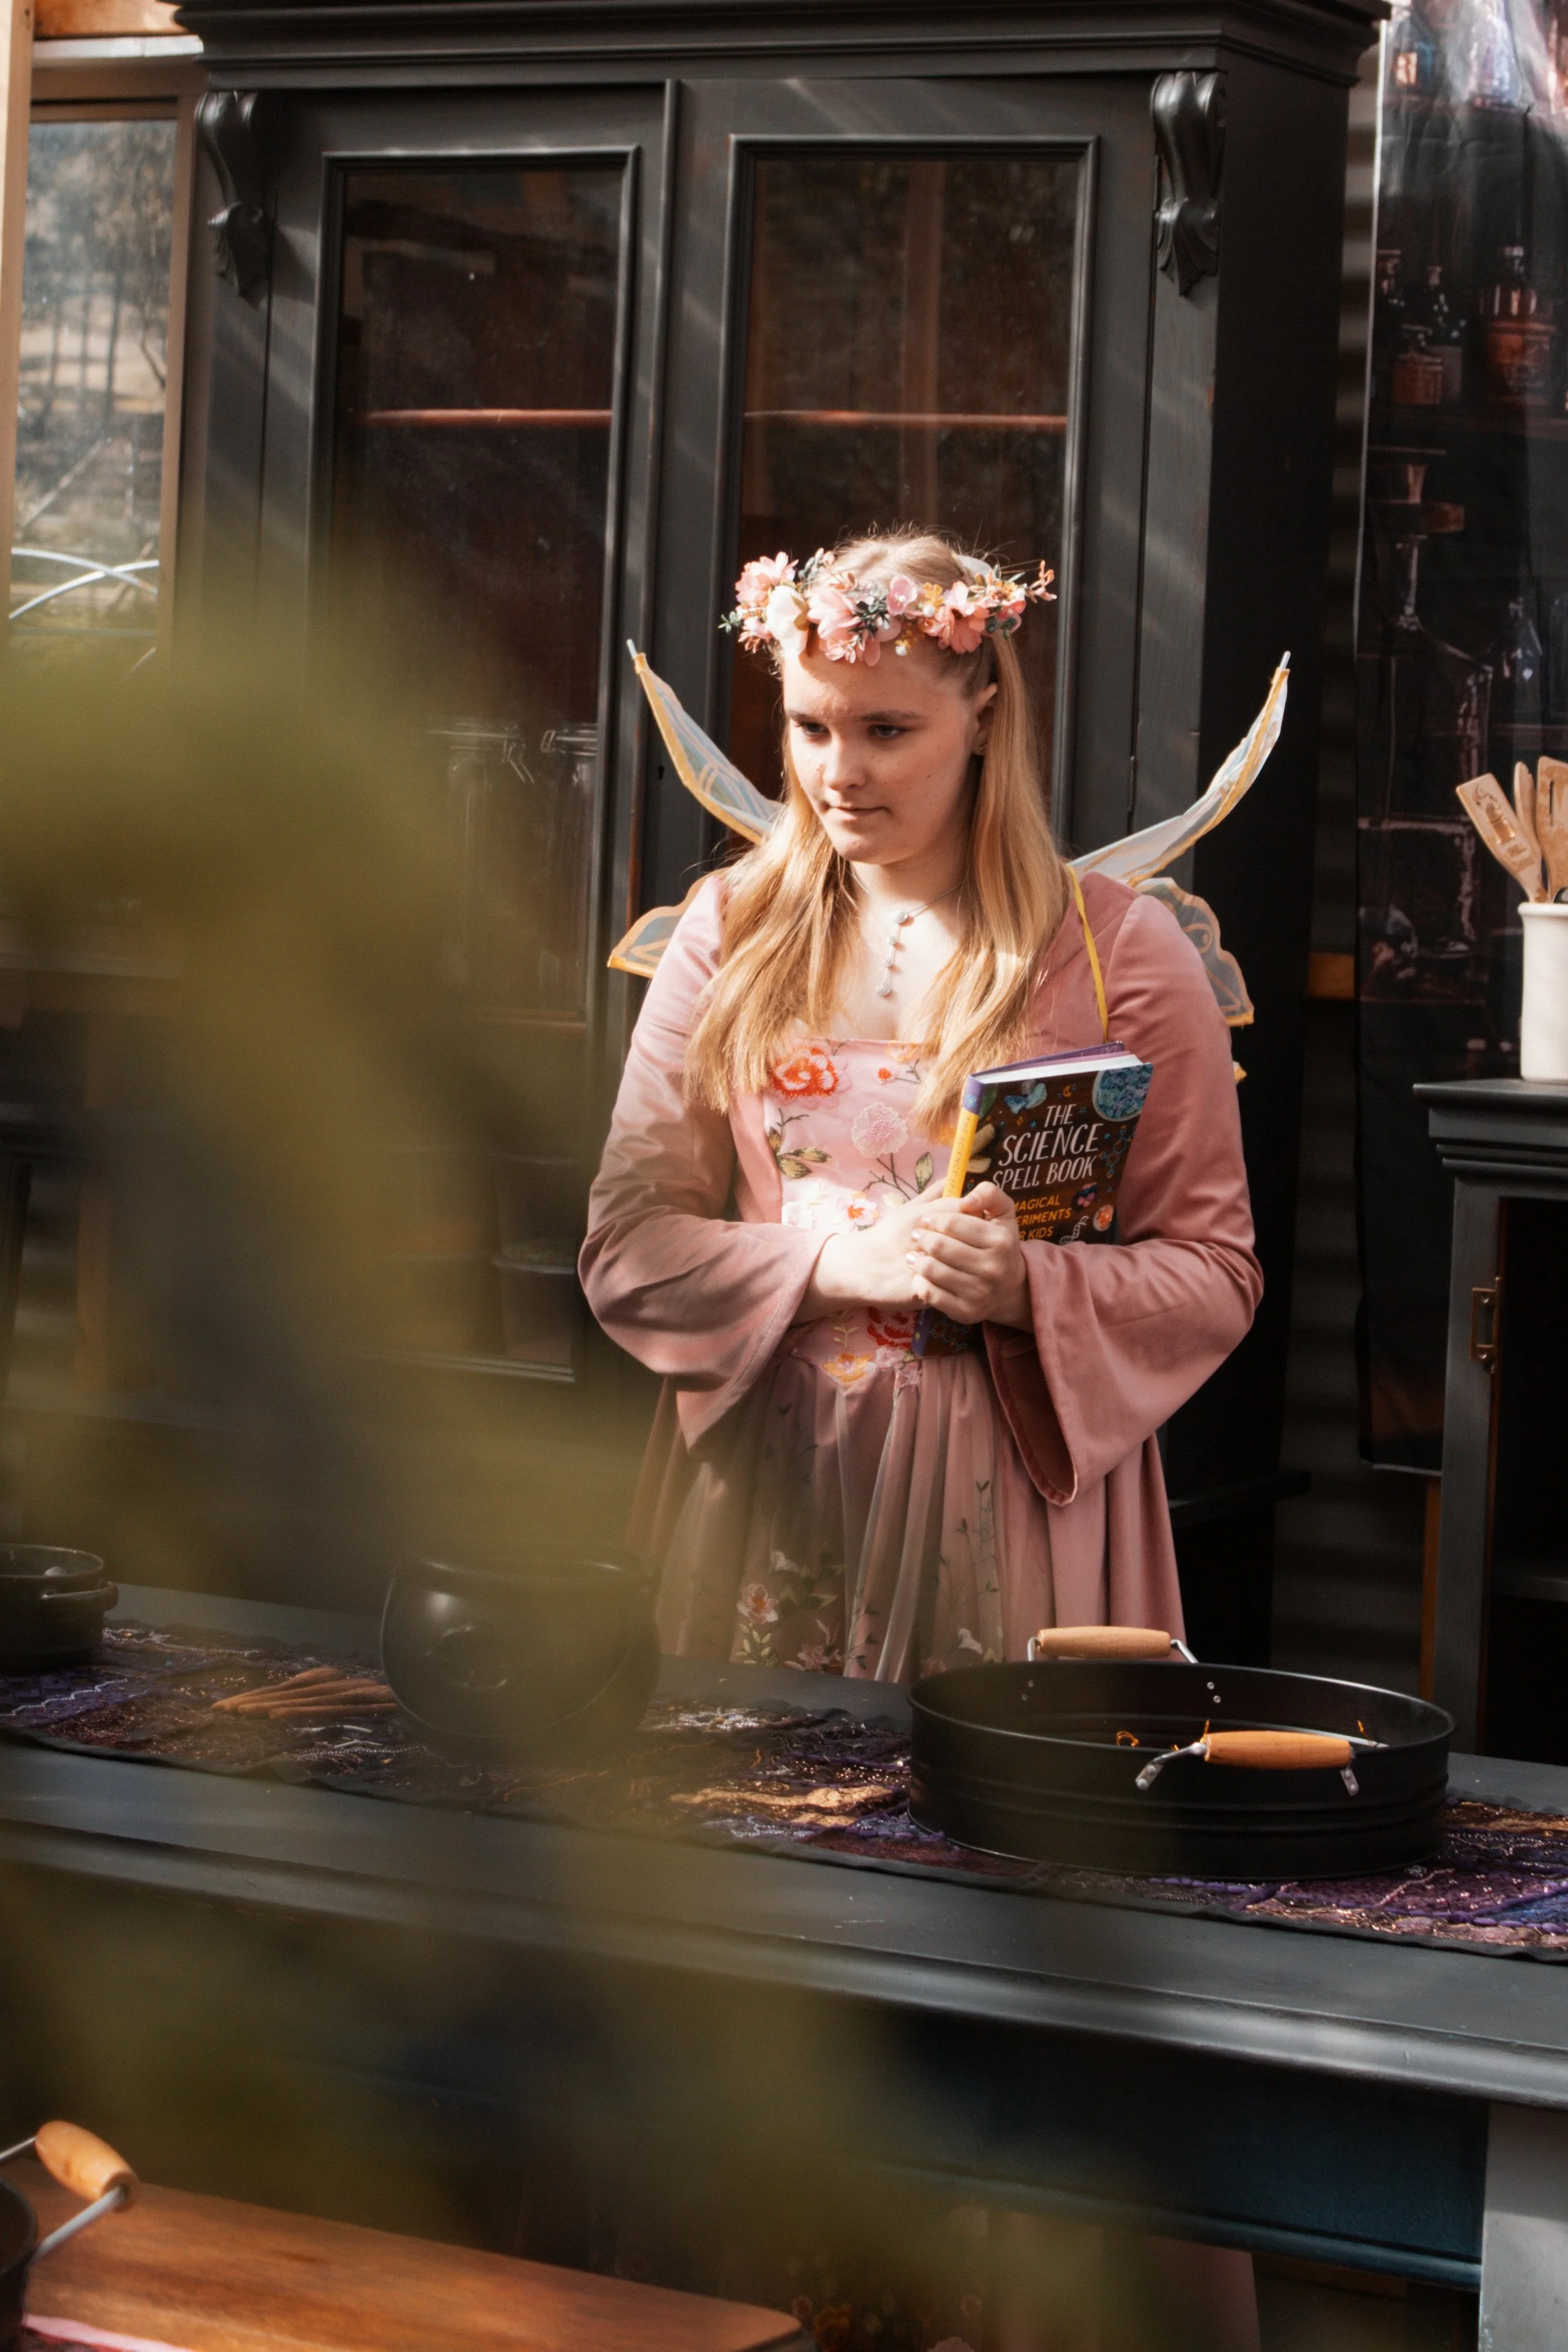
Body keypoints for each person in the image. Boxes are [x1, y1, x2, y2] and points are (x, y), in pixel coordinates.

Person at [581, 530, 1261, 1677]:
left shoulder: (1121, 960)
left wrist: (1025, 1285)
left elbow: (1215, 1270)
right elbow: (625, 1249)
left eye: (886, 730)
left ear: (985, 714)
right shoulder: (730, 934)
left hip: (1004, 1509)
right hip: (767, 1491)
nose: (839, 771)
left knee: (975, 1835)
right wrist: (845, 1265)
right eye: (810, 727)